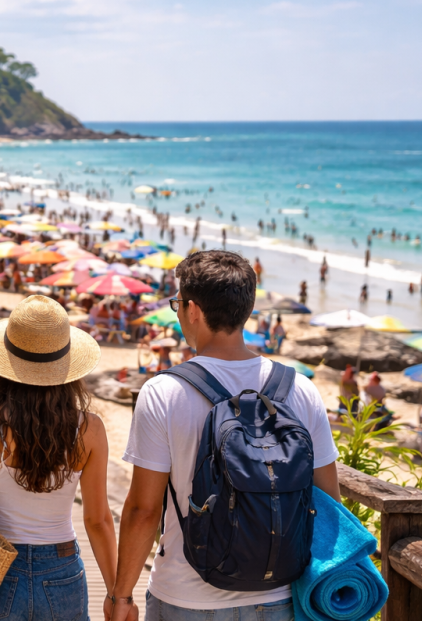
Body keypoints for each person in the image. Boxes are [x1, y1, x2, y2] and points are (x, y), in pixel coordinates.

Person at [111, 251, 339, 621]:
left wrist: (122, 596)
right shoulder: (300, 388)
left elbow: (143, 510)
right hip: (279, 594)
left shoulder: (164, 391)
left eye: (177, 304)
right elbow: (328, 500)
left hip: (186, 596)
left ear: (194, 310)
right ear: (246, 310)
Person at [0, 294, 118, 620]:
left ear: (5, 364)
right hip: (63, 570)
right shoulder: (90, 429)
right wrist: (119, 593)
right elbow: (98, 520)